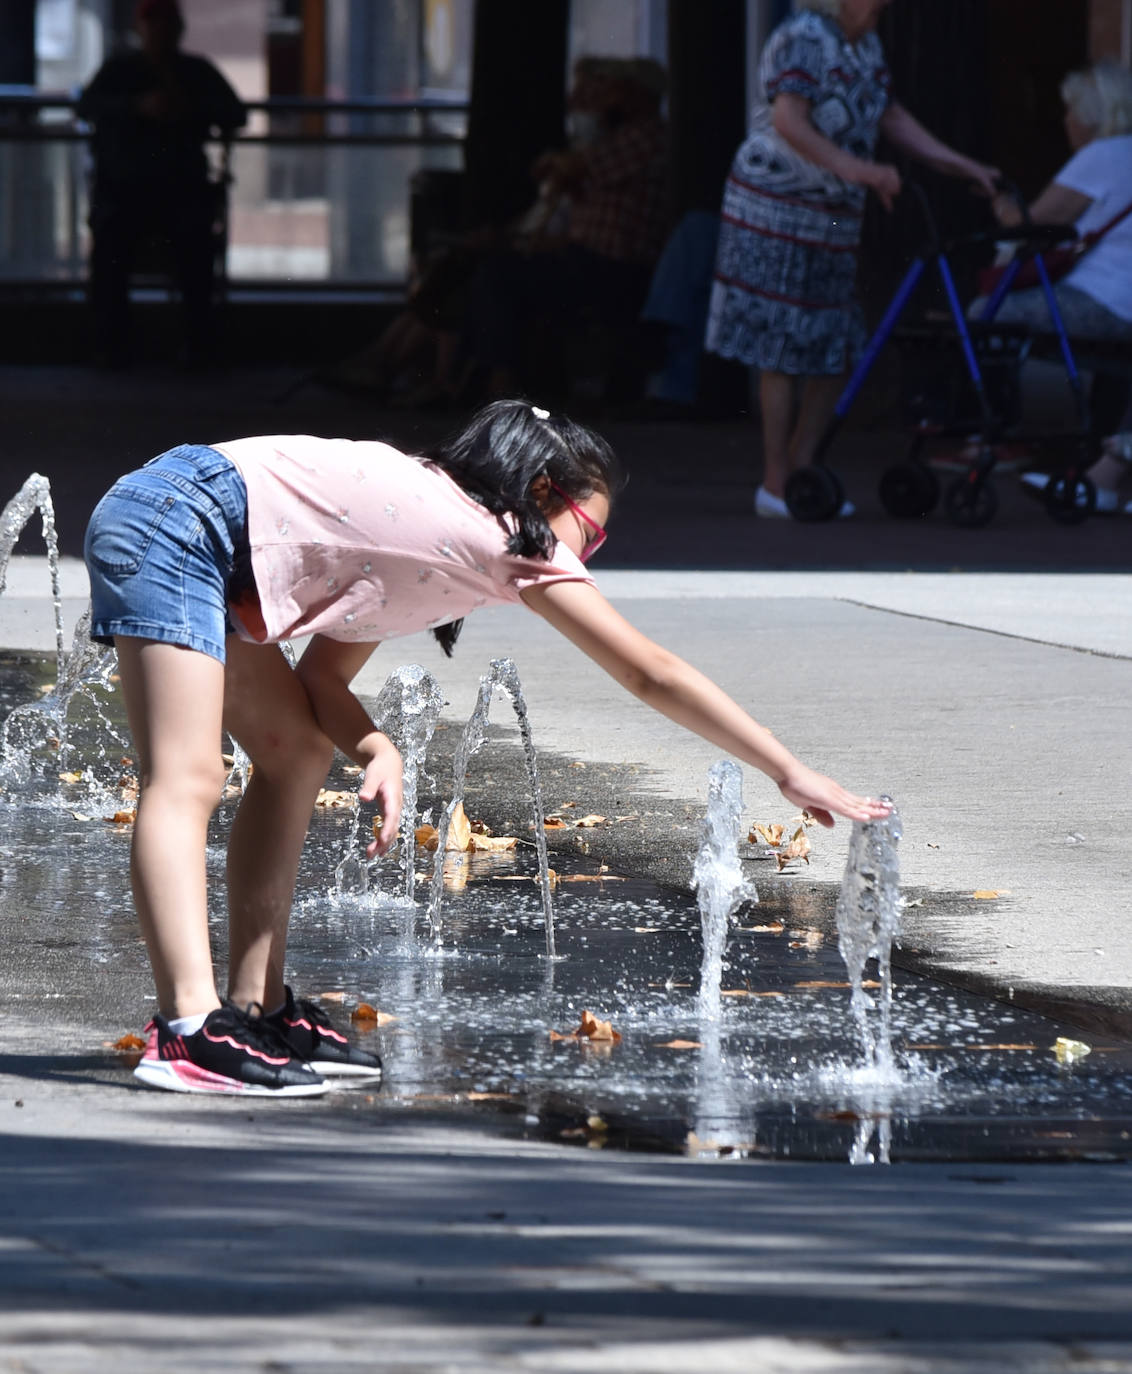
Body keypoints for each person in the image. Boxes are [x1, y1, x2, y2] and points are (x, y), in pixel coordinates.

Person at [83, 399, 892, 1097]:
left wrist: (376, 749)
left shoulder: (423, 539)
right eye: (591, 534)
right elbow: (650, 673)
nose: (584, 556)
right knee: (186, 775)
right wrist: (786, 769)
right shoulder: (497, 535)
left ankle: (254, 1011)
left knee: (295, 751)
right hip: (177, 521)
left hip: (188, 520)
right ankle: (187, 1030)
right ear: (543, 493)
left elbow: (325, 681)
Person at [704, 0, 998, 519]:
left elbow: (891, 115)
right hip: (775, 206)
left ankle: (802, 471)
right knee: (782, 343)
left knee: (838, 341)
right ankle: (776, 482)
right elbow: (789, 120)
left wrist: (963, 166)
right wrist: (863, 170)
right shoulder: (805, 36)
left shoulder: (866, 43)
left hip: (834, 212)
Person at [462, 58, 670, 401]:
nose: (605, 98)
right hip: (587, 257)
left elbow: (573, 168)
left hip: (613, 266)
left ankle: (497, 383)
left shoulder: (646, 136)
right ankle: (473, 378)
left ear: (636, 94)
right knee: (491, 271)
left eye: (613, 90)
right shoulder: (615, 136)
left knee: (499, 275)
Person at [77, 0, 246, 369]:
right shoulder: (121, 70)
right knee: (111, 248)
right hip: (125, 193)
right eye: (154, 26)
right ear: (141, 30)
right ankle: (113, 346)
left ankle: (199, 347)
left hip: (182, 194)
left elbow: (236, 112)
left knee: (196, 248)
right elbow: (86, 105)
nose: (160, 34)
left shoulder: (194, 72)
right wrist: (137, 106)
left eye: (166, 26)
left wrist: (192, 107)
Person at [979, 61, 1132, 451]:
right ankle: (1102, 440)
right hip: (1124, 303)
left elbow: (1027, 223)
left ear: (1089, 115)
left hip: (1104, 300)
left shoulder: (1102, 155)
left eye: (1070, 110)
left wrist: (1000, 201)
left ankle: (995, 437)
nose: (1066, 121)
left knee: (984, 313)